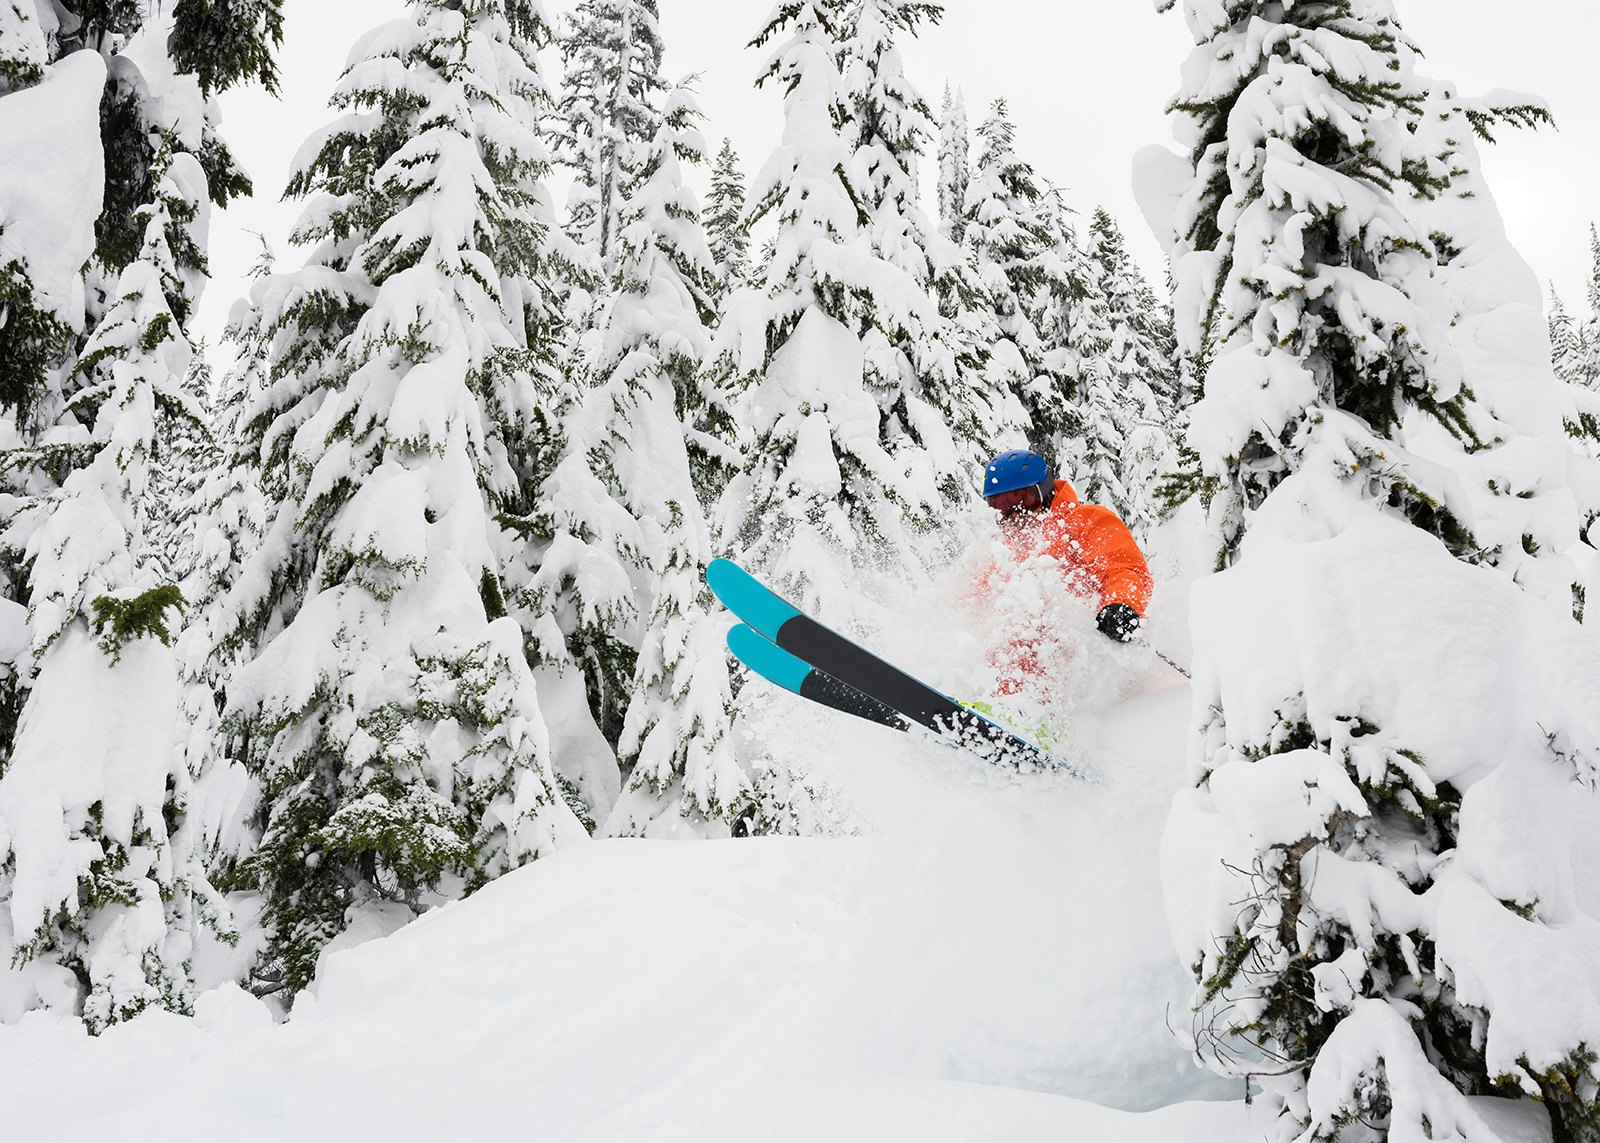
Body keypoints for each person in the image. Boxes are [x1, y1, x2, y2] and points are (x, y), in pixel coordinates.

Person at [979, 448, 1153, 692]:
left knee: (1033, 626)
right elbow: (976, 597)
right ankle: (990, 695)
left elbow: (1123, 569)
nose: (1017, 513)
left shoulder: (1086, 520)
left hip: (1089, 644)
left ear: (1044, 491)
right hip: (1029, 659)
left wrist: (1120, 605)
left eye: (1023, 499)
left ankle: (1024, 707)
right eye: (1002, 505)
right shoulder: (1005, 553)